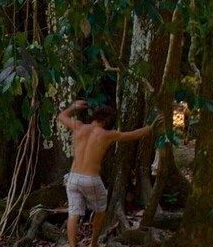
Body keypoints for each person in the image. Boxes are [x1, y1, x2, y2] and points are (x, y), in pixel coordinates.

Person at [56, 100, 154, 247]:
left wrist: (74, 107)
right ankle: (94, 242)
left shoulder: (79, 126)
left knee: (73, 212)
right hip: (91, 179)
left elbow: (61, 116)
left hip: (73, 177)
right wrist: (150, 128)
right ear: (107, 119)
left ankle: (72, 245)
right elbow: (131, 135)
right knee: (100, 209)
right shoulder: (107, 134)